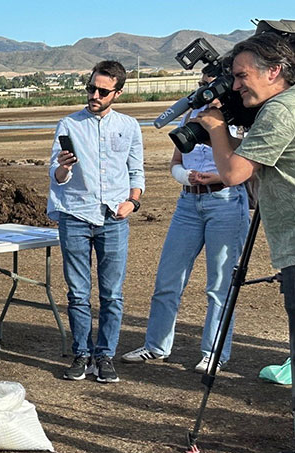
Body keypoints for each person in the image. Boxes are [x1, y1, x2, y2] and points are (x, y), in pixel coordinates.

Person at [187, 31, 295, 453]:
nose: (235, 87)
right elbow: (257, 175)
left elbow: (235, 173)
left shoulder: (281, 108)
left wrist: (214, 125)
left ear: (275, 71)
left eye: (241, 76)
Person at [122, 69, 250, 373]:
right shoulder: (191, 116)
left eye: (212, 87)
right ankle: (156, 346)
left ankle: (214, 352)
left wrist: (219, 175)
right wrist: (185, 176)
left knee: (220, 284)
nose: (205, 93)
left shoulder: (243, 118)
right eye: (202, 87)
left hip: (227, 201)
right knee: (168, 278)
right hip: (188, 202)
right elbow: (176, 161)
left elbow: (248, 165)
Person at [48, 60, 145, 384]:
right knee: (77, 292)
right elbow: (56, 177)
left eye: (103, 91)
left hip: (114, 218)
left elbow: (136, 171)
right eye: (91, 88)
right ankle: (82, 353)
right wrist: (64, 167)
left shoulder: (129, 126)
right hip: (74, 214)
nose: (94, 95)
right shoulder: (69, 125)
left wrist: (132, 201)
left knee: (112, 294)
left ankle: (104, 355)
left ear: (117, 93)